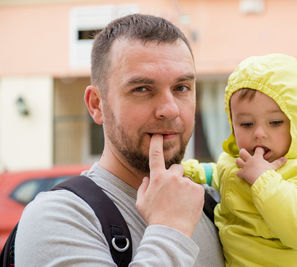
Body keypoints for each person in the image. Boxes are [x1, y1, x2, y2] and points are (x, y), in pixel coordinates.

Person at [15, 14, 224, 266]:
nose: (170, 109)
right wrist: (171, 231)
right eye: (142, 89)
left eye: (181, 87)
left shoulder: (213, 205)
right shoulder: (57, 218)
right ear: (97, 105)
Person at [183, 54, 297, 266]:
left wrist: (264, 180)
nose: (259, 133)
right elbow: (217, 174)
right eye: (246, 124)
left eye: (275, 122)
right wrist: (189, 171)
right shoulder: (234, 164)